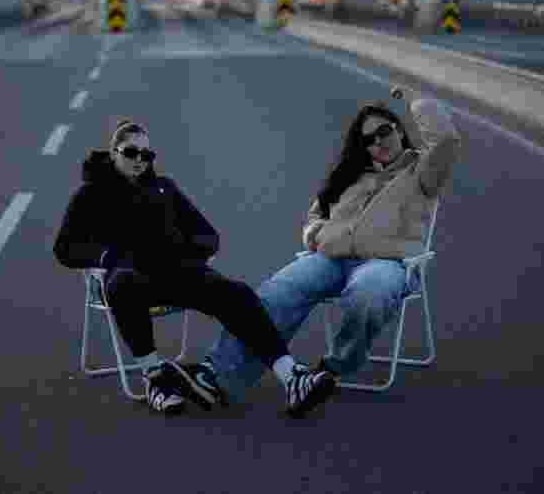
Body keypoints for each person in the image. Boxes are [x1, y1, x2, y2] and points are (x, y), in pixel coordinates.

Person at [176, 86, 462, 404]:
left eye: (383, 131)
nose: (378, 142)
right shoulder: (351, 176)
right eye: (368, 139)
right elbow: (316, 215)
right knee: (275, 293)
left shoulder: (423, 172)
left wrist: (413, 97)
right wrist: (315, 236)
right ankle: (217, 377)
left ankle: (335, 366)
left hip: (388, 263)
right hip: (331, 259)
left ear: (399, 129)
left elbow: (446, 139)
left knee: (369, 292)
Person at [53, 119, 335, 416]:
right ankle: (156, 379)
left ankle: (291, 377)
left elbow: (208, 235)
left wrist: (185, 250)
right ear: (114, 153)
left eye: (146, 155)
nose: (139, 160)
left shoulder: (164, 188)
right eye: (130, 152)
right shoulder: (91, 194)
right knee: (123, 283)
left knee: (236, 293)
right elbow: (65, 248)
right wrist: (106, 257)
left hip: (175, 273)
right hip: (129, 281)